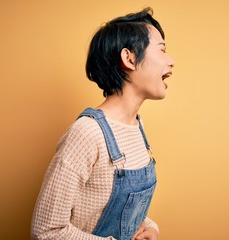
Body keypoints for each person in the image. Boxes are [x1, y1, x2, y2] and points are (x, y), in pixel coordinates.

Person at [31, 7, 174, 240]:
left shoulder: (137, 126)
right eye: (162, 50)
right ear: (129, 58)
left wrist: (150, 228)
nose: (171, 61)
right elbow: (46, 231)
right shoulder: (87, 134)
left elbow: (111, 207)